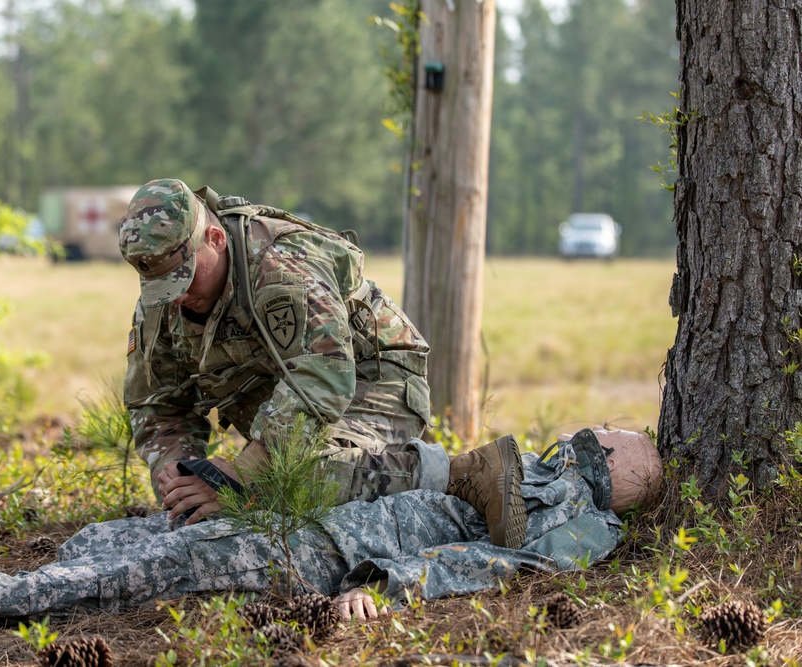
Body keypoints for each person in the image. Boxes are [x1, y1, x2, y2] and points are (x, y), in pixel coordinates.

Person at [117, 177, 525, 548]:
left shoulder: (279, 265)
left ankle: (467, 473)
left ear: (215, 238)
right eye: (162, 286)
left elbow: (324, 374)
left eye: (185, 276)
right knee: (257, 496)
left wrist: (243, 472)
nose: (176, 296)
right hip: (293, 408)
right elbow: (156, 403)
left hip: (375, 381)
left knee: (293, 480)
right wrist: (175, 474)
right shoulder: (164, 298)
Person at [0, 427, 663, 622]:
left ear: (617, 479)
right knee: (106, 540)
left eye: (603, 444)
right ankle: (43, 579)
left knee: (140, 571)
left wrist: (388, 590)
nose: (586, 439)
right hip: (322, 520)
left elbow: (489, 565)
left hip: (320, 554)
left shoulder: (572, 533)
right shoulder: (535, 473)